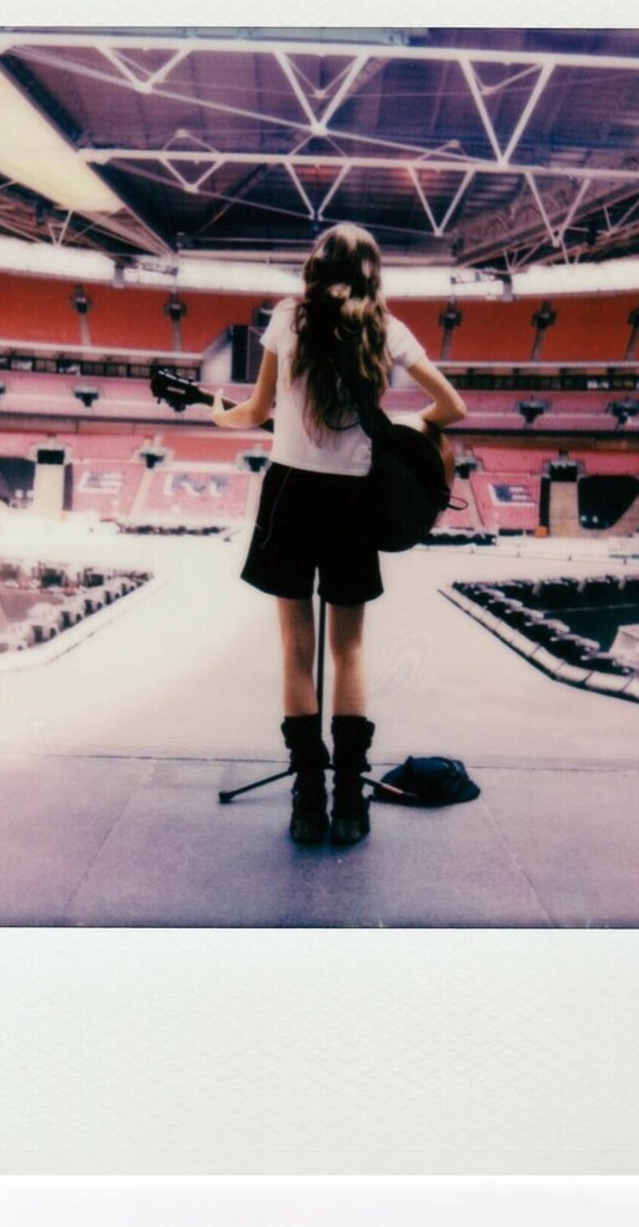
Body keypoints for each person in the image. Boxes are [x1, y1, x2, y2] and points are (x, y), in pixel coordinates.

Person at [212, 223, 466, 846]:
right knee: (348, 650)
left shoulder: (287, 318)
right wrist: (404, 426)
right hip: (354, 500)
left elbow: (256, 411)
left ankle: (308, 799)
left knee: (295, 648)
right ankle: (349, 800)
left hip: (291, 494)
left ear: (315, 267)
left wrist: (220, 414)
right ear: (372, 273)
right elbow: (452, 408)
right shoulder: (387, 329)